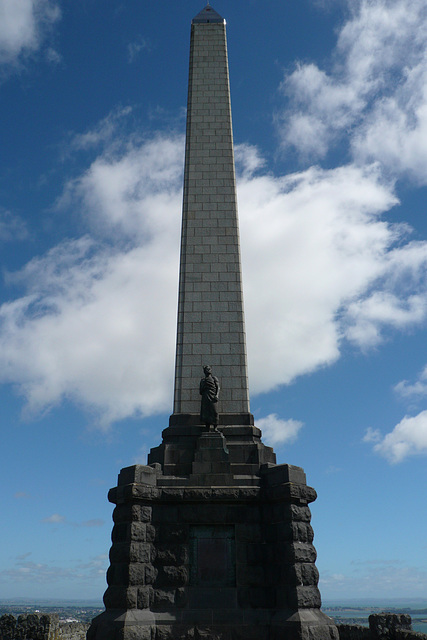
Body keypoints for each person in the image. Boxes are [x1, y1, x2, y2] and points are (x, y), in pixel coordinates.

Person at [199, 365, 220, 430]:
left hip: (213, 396)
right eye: (206, 369)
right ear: (204, 371)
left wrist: (217, 395)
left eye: (209, 369)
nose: (208, 370)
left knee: (215, 411)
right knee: (206, 412)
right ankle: (207, 427)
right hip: (205, 397)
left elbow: (218, 387)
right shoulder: (203, 380)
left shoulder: (214, 378)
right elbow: (200, 391)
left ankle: (215, 427)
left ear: (211, 370)